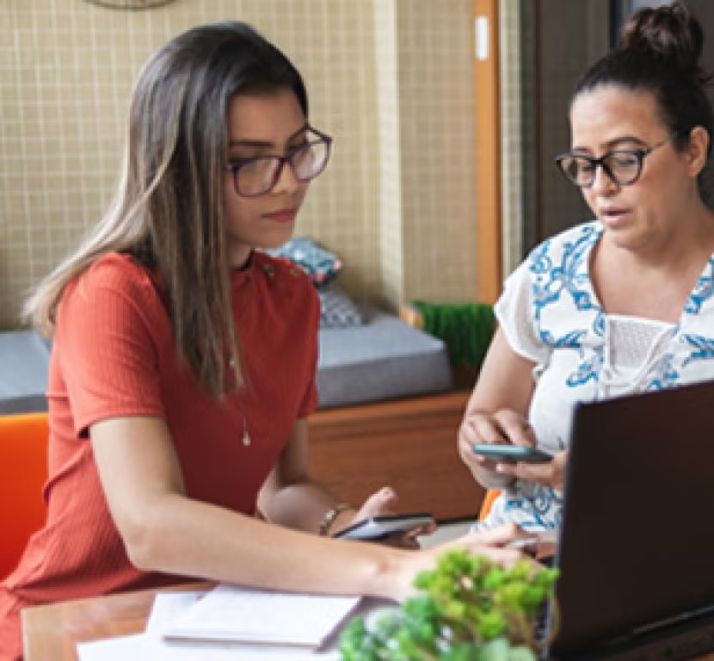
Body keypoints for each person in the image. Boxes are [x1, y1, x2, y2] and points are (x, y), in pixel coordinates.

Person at [0, 21, 525, 659]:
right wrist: (388, 573)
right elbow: (151, 526)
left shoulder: (293, 295)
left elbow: (285, 486)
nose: (287, 181)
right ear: (179, 169)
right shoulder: (112, 294)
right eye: (249, 162)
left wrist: (344, 526)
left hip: (220, 611)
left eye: (298, 150)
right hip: (77, 624)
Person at [458, 4, 714, 533]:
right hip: (527, 558)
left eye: (624, 159)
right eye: (583, 164)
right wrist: (484, 448)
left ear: (692, 151)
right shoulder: (548, 272)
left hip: (694, 576)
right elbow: (479, 445)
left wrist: (631, 478)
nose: (600, 185)